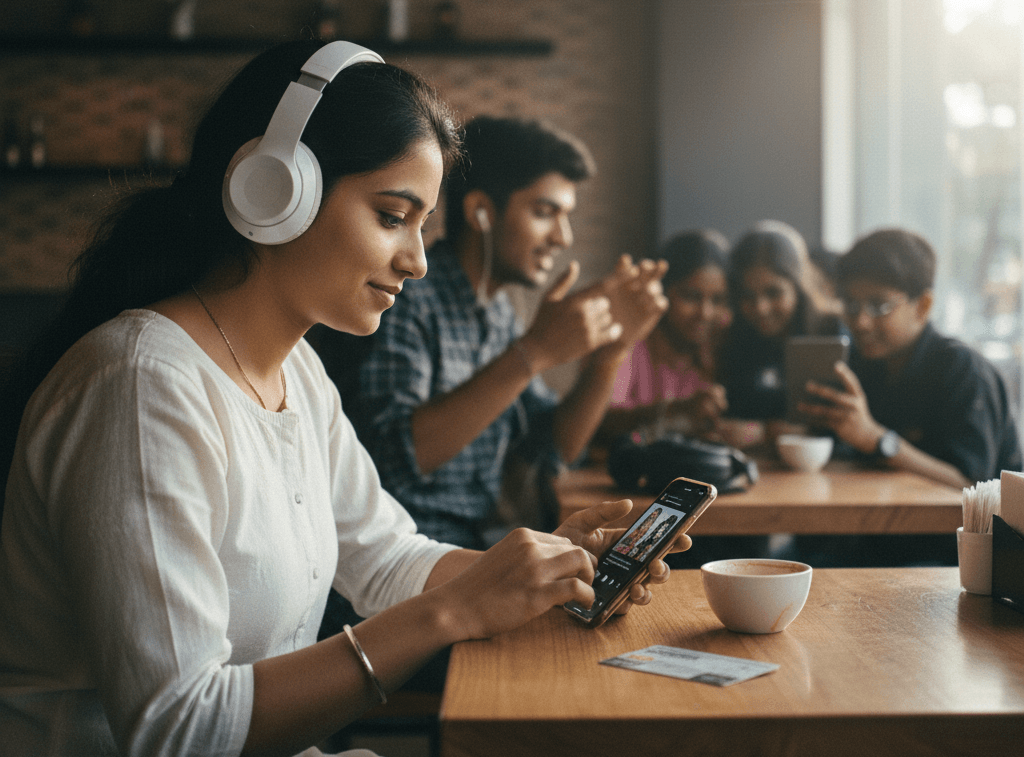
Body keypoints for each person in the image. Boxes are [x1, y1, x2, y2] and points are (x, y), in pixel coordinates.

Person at [0, 40, 688, 757]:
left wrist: (531, 574)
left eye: (422, 224)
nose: (419, 259)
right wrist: (450, 614)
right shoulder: (140, 386)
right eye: (393, 215)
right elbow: (178, 742)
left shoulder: (300, 372)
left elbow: (389, 557)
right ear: (273, 189)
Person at [336, 114, 669, 551]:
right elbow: (391, 462)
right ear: (481, 212)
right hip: (401, 555)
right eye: (545, 212)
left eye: (565, 216)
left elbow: (555, 446)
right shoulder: (402, 300)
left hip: (474, 546)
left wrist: (611, 353)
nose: (562, 237)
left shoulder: (498, 314)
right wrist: (533, 352)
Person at [800, 227, 1022, 489]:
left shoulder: (964, 372)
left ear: (923, 306)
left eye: (879, 306)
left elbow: (972, 484)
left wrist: (879, 441)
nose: (861, 322)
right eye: (851, 305)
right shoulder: (860, 364)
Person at [595, 229, 731, 447]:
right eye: (690, 296)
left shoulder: (717, 350)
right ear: (664, 291)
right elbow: (600, 421)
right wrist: (676, 410)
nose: (705, 314)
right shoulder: (629, 343)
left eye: (717, 300)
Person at [719, 221, 843, 447]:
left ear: (798, 287)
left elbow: (839, 428)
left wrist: (766, 433)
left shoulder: (832, 333)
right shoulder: (735, 339)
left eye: (773, 292)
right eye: (748, 296)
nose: (761, 308)